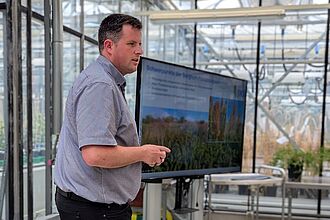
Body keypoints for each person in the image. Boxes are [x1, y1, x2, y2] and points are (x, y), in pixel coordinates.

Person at [54, 13, 171, 220]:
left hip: (95, 208)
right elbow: (95, 154)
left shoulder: (106, 81)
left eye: (140, 43)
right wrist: (143, 153)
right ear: (109, 46)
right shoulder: (100, 85)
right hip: (94, 211)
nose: (139, 51)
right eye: (132, 43)